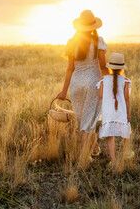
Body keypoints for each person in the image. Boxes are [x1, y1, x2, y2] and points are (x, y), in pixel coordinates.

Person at [57, 10, 108, 159]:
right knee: (88, 120)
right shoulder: (98, 41)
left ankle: (95, 149)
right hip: (92, 82)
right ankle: (82, 158)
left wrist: (63, 91)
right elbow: (103, 66)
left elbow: (69, 69)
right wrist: (115, 78)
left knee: (83, 119)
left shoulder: (72, 43)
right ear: (93, 26)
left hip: (76, 83)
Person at [96, 53, 134, 168]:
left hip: (108, 113)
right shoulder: (126, 81)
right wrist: (128, 113)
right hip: (121, 112)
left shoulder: (103, 80)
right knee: (125, 131)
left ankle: (113, 162)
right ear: (122, 68)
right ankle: (127, 152)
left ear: (110, 67)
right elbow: (127, 99)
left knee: (110, 137)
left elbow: (100, 95)